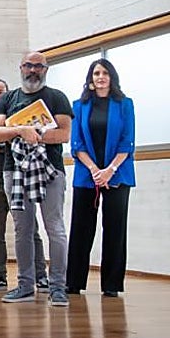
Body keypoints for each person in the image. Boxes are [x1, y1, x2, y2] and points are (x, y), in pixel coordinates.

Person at [0, 52, 73, 306]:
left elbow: (64, 134)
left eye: (38, 66)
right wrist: (20, 130)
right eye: (28, 65)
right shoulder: (8, 98)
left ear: (45, 70)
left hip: (50, 170)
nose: (33, 70)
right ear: (21, 68)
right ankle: (25, 285)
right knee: (22, 229)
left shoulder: (57, 97)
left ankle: (58, 287)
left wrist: (33, 134)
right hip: (14, 171)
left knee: (55, 228)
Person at [66, 58, 135, 297]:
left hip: (118, 173)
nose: (101, 77)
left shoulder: (125, 104)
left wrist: (109, 170)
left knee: (115, 228)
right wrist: (95, 170)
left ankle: (112, 285)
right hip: (87, 174)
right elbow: (76, 143)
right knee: (81, 227)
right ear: (90, 79)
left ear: (111, 77)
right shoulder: (79, 106)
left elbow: (127, 141)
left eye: (105, 73)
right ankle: (73, 282)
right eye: (96, 73)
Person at [0, 78, 46, 292]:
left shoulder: (21, 117)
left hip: (19, 180)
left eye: (0, 93)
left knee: (30, 230)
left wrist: (2, 137)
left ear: (8, 94)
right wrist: (14, 136)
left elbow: (30, 139)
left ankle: (40, 276)